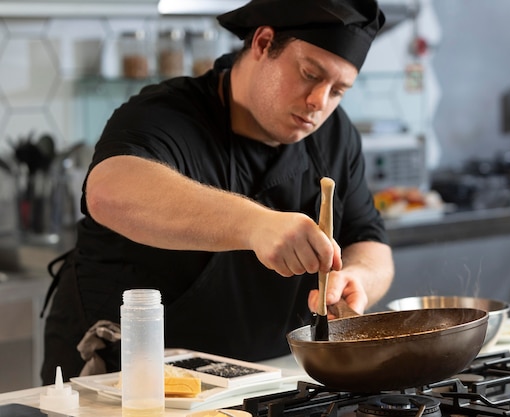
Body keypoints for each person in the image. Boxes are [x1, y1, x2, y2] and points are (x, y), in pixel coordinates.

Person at [41, 0, 394, 384]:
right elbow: (108, 192)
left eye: (338, 90)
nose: (319, 102)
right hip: (122, 383)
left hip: (258, 383)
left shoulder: (335, 135)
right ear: (262, 43)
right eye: (310, 74)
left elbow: (370, 240)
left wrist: (357, 277)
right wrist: (256, 225)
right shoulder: (165, 113)